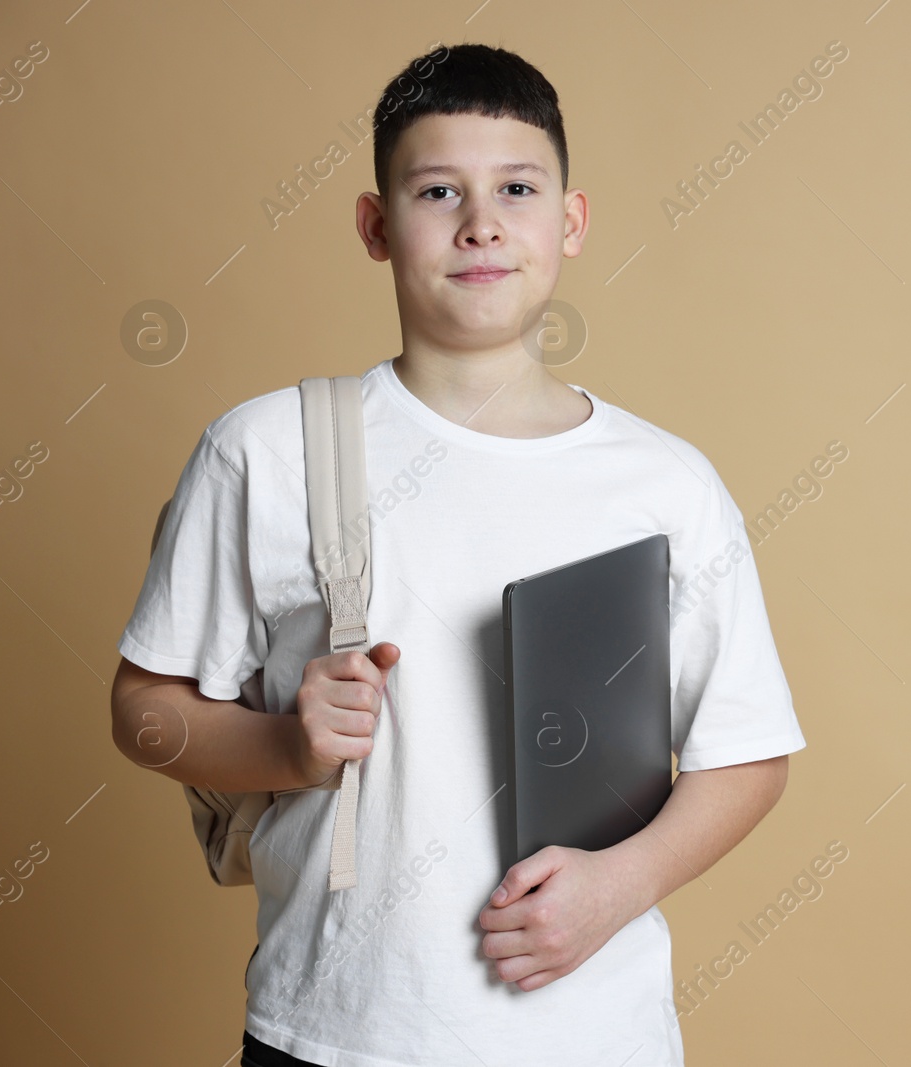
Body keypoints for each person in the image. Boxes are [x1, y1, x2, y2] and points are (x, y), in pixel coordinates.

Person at [109, 42, 805, 1067]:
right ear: (376, 226)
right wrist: (288, 749)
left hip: (593, 1033)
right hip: (331, 1028)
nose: (480, 221)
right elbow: (142, 711)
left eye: (516, 188)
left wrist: (622, 883)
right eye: (438, 190)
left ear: (569, 223)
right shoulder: (270, 448)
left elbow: (746, 750)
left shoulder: (665, 481)